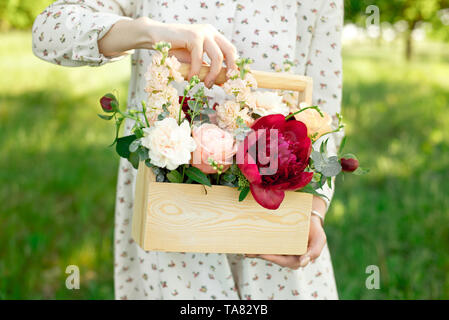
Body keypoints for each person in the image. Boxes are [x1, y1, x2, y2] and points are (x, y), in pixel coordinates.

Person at [32, 0, 344, 300]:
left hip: (272, 215)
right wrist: (153, 33)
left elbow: (325, 113)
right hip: (168, 211)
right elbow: (49, 31)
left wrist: (315, 212)